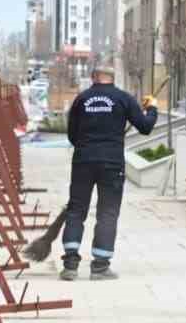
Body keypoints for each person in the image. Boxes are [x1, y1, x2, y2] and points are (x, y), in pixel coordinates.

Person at [60, 64, 157, 280]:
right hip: (112, 164)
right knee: (107, 212)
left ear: (94, 77)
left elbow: (72, 135)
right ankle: (100, 266)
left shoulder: (82, 99)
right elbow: (145, 127)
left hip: (83, 161)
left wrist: (86, 146)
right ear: (113, 78)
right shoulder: (123, 99)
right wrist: (151, 108)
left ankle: (70, 264)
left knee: (76, 210)